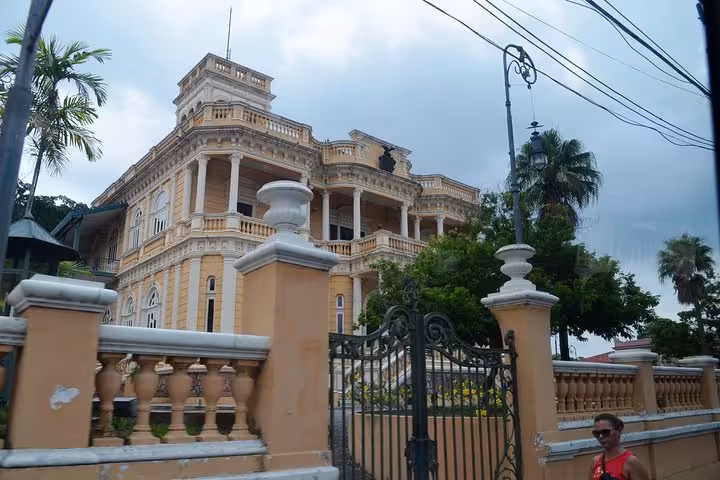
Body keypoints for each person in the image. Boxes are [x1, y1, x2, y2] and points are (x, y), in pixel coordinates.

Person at [589, 413, 650, 480]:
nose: (601, 436)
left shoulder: (630, 462)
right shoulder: (595, 461)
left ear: (619, 430)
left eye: (605, 432)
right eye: (597, 433)